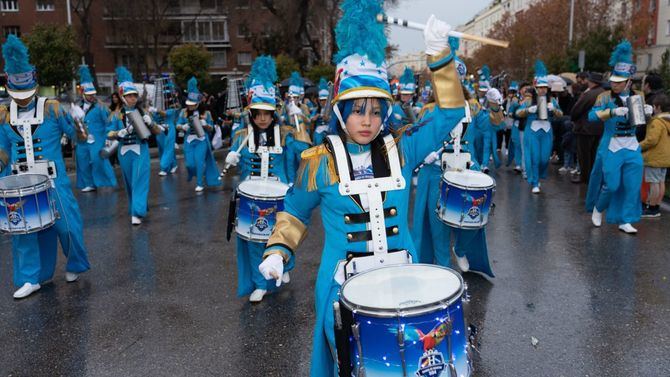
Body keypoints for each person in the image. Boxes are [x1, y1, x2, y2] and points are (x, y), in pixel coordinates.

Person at [258, 3, 465, 374]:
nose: (367, 121)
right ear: (340, 112)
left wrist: (440, 57)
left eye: (375, 111)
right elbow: (294, 212)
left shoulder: (402, 149)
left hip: (405, 280)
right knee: (353, 364)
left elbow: (449, 115)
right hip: (343, 288)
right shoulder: (317, 161)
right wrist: (278, 250)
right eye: (357, 110)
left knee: (409, 363)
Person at [0, 35, 90, 298]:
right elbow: (4, 150)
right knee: (25, 233)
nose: (22, 99)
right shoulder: (4, 115)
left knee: (68, 227)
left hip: (53, 180)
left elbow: (79, 138)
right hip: (22, 184)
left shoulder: (52, 108)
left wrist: (79, 122)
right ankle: (31, 278)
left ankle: (75, 263)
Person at [223, 56, 311, 302]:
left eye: (267, 113)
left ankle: (285, 265)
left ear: (275, 112)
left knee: (280, 235)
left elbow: (305, 151)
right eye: (258, 113)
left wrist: (300, 120)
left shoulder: (286, 133)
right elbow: (239, 168)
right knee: (252, 239)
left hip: (280, 194)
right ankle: (259, 284)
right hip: (251, 195)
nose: (262, 118)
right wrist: (230, 162)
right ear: (250, 113)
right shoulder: (241, 135)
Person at [412, 36, 494, 278]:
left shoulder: (474, 107)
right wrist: (423, 155)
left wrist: (497, 107)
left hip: (468, 171)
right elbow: (416, 141)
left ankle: (461, 248)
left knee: (472, 221)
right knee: (438, 229)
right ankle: (447, 274)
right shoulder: (429, 110)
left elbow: (494, 126)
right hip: (437, 173)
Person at [586, 40, 653, 234]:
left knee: (632, 186)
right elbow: (591, 116)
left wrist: (648, 113)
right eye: (613, 81)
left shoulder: (638, 95)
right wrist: (612, 112)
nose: (614, 84)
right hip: (612, 144)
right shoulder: (604, 97)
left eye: (619, 81)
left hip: (632, 145)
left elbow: (641, 123)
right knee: (612, 184)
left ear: (629, 82)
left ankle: (626, 219)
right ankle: (599, 208)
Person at [106, 66, 164, 225]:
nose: (132, 98)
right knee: (130, 183)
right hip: (124, 152)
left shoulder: (143, 112)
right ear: (122, 97)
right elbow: (108, 133)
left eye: (134, 95)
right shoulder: (115, 115)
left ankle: (137, 212)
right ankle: (137, 207)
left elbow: (158, 131)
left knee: (139, 179)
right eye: (129, 95)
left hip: (141, 150)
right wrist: (119, 133)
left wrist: (151, 123)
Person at [516, 60, 563, 193]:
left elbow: (561, 114)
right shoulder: (529, 100)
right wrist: (528, 110)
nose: (543, 90)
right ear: (536, 88)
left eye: (545, 87)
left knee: (544, 158)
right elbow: (518, 112)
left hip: (546, 131)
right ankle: (535, 182)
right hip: (532, 131)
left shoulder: (552, 100)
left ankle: (539, 176)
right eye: (540, 87)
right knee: (535, 157)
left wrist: (553, 109)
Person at [70, 64, 118, 192]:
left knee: (98, 160)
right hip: (82, 140)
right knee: (82, 160)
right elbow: (73, 123)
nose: (92, 96)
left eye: (93, 94)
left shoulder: (101, 107)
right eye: (89, 94)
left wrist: (109, 137)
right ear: (83, 93)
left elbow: (110, 123)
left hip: (98, 139)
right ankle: (89, 183)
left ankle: (107, 182)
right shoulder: (77, 106)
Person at [175, 77, 221, 192]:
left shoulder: (207, 113)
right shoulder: (183, 112)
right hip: (189, 141)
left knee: (199, 161)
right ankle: (197, 173)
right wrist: (182, 126)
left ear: (198, 103)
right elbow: (177, 125)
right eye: (189, 104)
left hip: (201, 140)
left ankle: (200, 182)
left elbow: (211, 129)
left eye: (193, 104)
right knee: (189, 164)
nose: (190, 106)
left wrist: (205, 124)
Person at [571, 72, 605, 184]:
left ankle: (585, 178)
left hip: (585, 128)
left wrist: (574, 119)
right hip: (599, 128)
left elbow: (576, 110)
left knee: (584, 156)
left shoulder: (589, 94)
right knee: (594, 154)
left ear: (591, 82)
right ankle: (593, 177)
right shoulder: (604, 93)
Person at [640, 94, 670, 218]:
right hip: (665, 157)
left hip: (655, 157)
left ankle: (652, 209)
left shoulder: (657, 121)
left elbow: (651, 140)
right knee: (661, 182)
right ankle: (656, 206)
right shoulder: (667, 120)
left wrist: (638, 146)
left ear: (658, 107)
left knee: (653, 183)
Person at [153, 82, 180, 177]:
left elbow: (166, 114)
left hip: (169, 129)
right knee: (162, 149)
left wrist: (156, 110)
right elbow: (155, 117)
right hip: (159, 129)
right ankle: (173, 164)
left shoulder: (174, 105)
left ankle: (164, 168)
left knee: (167, 148)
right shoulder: (158, 105)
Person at [389, 66, 417, 134]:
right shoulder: (394, 107)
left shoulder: (419, 107)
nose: (404, 96)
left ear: (412, 95)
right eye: (403, 94)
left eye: (407, 94)